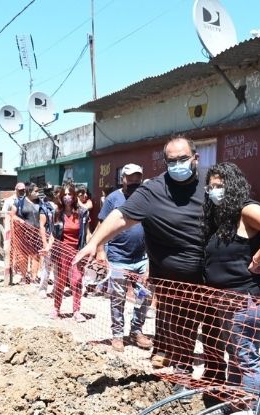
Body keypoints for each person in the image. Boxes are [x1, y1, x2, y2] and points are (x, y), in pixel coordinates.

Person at [74, 136, 209, 393]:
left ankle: (217, 383)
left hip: (211, 277)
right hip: (172, 279)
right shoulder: (153, 190)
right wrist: (94, 243)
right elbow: (120, 216)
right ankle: (182, 377)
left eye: (183, 159)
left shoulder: (211, 184)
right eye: (172, 161)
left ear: (196, 158)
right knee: (180, 328)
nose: (178, 165)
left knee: (215, 335)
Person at [201, 162, 260, 415]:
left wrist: (258, 260)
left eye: (220, 186)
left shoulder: (246, 210)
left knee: (244, 355)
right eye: (211, 187)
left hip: (245, 298)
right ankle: (236, 403)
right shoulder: (222, 217)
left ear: (234, 186)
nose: (215, 191)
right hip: (227, 299)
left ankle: (249, 410)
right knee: (237, 352)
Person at [97, 163, 152, 352]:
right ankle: (118, 335)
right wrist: (100, 250)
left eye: (138, 176)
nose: (134, 180)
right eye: (130, 177)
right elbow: (102, 226)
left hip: (141, 257)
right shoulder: (113, 198)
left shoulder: (146, 198)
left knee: (145, 296)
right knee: (118, 298)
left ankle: (136, 330)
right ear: (123, 179)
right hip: (118, 257)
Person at [50, 184, 89, 322]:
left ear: (74, 196)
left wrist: (89, 249)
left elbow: (87, 233)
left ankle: (77, 311)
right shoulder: (57, 213)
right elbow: (53, 235)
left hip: (77, 252)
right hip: (61, 252)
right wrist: (48, 248)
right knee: (60, 281)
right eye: (65, 194)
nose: (67, 197)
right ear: (61, 196)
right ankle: (56, 308)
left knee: (77, 281)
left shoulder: (82, 212)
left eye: (70, 194)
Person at [11, 182, 42, 283]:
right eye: (36, 191)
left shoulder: (40, 202)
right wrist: (21, 221)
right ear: (29, 192)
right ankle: (24, 276)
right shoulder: (19, 202)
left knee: (36, 255)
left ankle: (34, 277)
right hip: (23, 233)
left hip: (36, 233)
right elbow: (12, 215)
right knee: (23, 255)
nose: (38, 193)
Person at [37, 184, 57, 298]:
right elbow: (42, 225)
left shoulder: (60, 206)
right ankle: (43, 288)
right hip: (49, 237)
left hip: (58, 239)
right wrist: (45, 243)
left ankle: (56, 289)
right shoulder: (44, 207)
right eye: (49, 191)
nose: (51, 193)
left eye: (52, 191)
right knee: (46, 266)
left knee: (58, 267)